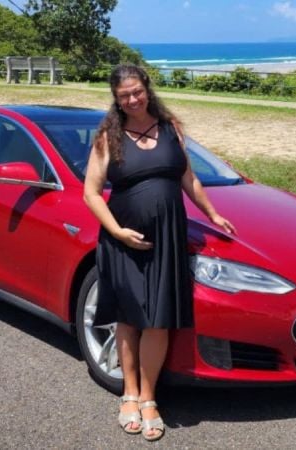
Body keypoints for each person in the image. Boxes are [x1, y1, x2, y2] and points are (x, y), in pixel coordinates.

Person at [83, 64, 236, 442]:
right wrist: (116, 231)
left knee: (158, 320)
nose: (132, 99)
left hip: (167, 238)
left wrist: (213, 214)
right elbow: (91, 192)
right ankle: (129, 394)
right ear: (116, 99)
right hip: (123, 240)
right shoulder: (108, 138)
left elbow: (189, 178)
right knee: (128, 318)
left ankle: (149, 398)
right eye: (124, 95)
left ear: (147, 89)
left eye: (136, 91)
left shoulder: (171, 129)